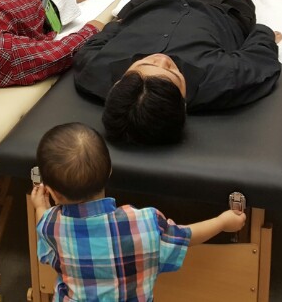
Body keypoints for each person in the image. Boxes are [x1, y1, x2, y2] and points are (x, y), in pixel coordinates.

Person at [74, 0, 281, 145]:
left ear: (117, 83)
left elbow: (95, 43)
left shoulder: (95, 69)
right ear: (183, 103)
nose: (162, 59)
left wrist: (118, 25)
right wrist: (265, 34)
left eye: (145, 63)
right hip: (220, 9)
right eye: (172, 71)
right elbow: (260, 55)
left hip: (153, 2)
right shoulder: (223, 79)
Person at [29, 123, 246, 301]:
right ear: (110, 170)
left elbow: (44, 230)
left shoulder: (50, 225)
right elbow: (186, 236)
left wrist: (40, 207)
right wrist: (222, 222)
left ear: (53, 193)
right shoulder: (146, 223)